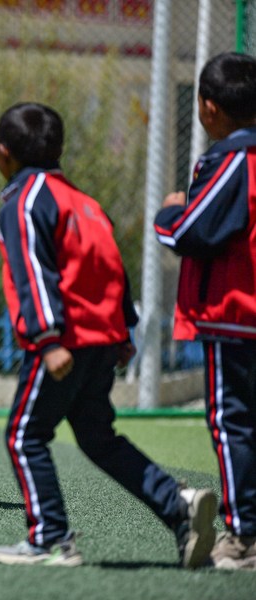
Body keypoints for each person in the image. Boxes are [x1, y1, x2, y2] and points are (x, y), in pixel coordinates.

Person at [0, 102, 216, 568]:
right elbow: (112, 266)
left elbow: (33, 272)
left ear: (2, 152)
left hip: (64, 341)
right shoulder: (85, 202)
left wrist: (47, 339)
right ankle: (178, 506)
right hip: (102, 339)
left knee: (24, 436)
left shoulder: (25, 201)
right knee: (97, 437)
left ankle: (50, 539)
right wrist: (124, 331)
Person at [154, 52, 256, 571]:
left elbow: (192, 232)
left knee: (232, 421)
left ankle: (245, 537)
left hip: (234, 315)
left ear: (208, 108)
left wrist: (171, 210)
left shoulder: (234, 159)